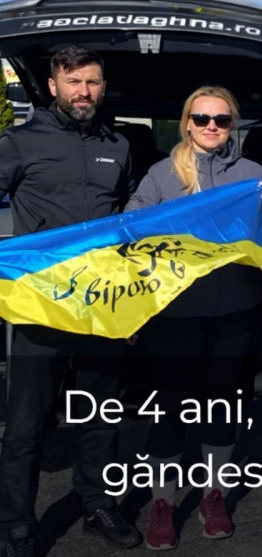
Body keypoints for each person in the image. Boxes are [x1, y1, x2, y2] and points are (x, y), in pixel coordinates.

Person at [0, 46, 142, 553]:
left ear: (103, 87)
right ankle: (15, 524)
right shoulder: (18, 143)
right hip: (41, 304)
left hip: (102, 305)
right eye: (74, 81)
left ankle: (97, 506)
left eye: (93, 82)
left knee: (99, 416)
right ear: (54, 86)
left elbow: (130, 214)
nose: (84, 91)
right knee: (25, 425)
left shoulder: (118, 145)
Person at [125, 86, 262, 550]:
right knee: (170, 409)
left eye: (222, 119)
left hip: (237, 308)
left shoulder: (252, 174)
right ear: (187, 123)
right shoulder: (162, 173)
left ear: (233, 124)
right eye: (202, 118)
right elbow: (131, 226)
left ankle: (214, 495)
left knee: (223, 407)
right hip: (177, 312)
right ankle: (164, 502)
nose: (212, 126)